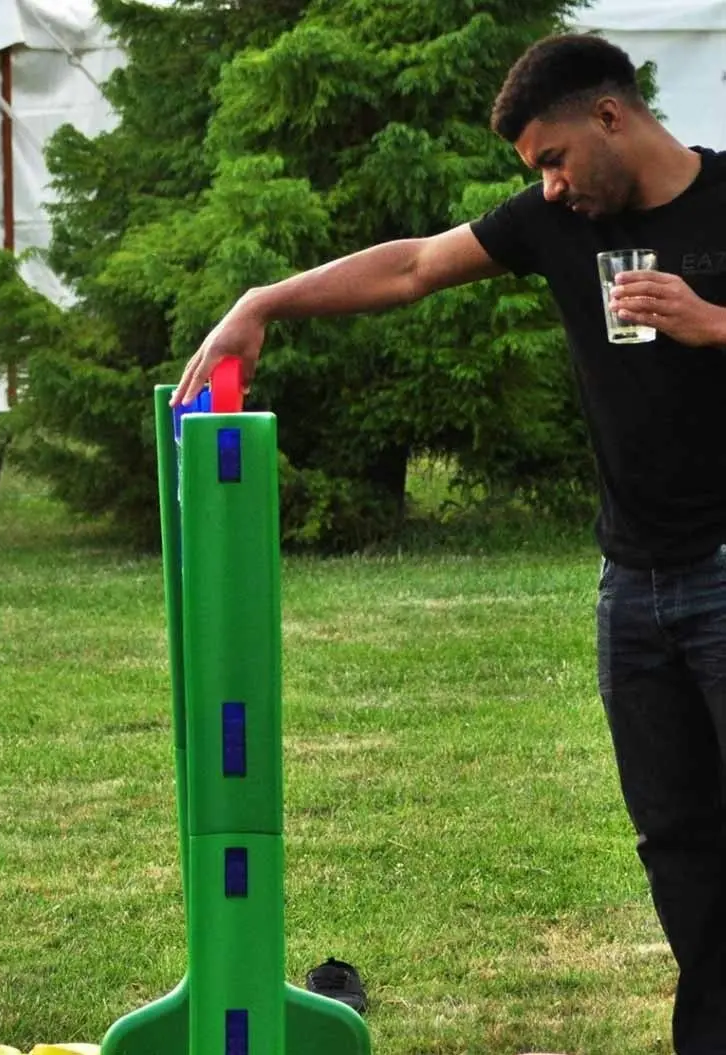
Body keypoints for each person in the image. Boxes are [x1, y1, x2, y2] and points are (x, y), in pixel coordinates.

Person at [172, 33, 726, 1055]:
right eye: (537, 174)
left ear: (611, 117)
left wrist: (712, 322)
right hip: (632, 582)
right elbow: (417, 266)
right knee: (678, 840)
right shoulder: (558, 226)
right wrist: (263, 302)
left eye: (553, 158)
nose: (551, 188)